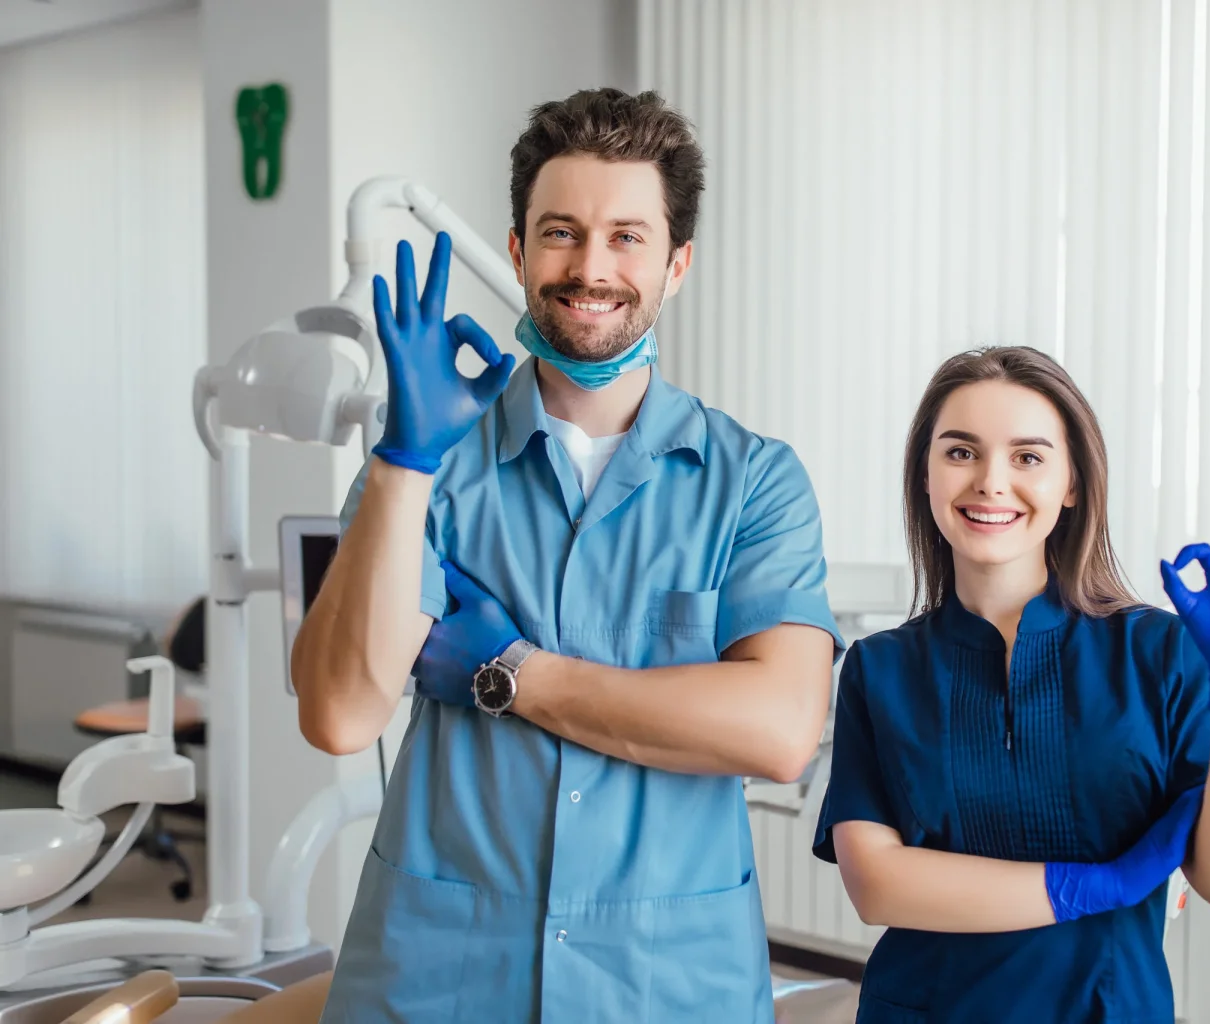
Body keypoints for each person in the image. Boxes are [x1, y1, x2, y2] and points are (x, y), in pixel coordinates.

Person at [291, 89, 844, 1022]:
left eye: (628, 236)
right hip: (441, 978)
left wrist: (513, 673)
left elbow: (779, 731)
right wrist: (403, 460)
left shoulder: (755, 482)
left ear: (678, 264)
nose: (591, 267)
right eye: (561, 232)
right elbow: (342, 714)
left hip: (665, 984)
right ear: (517, 251)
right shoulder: (432, 470)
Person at [813, 347, 1210, 1023]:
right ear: (924, 475)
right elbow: (877, 886)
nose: (990, 481)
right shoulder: (880, 668)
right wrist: (1094, 886)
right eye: (961, 452)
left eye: (1028, 457)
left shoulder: (1159, 654)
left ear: (1071, 483)